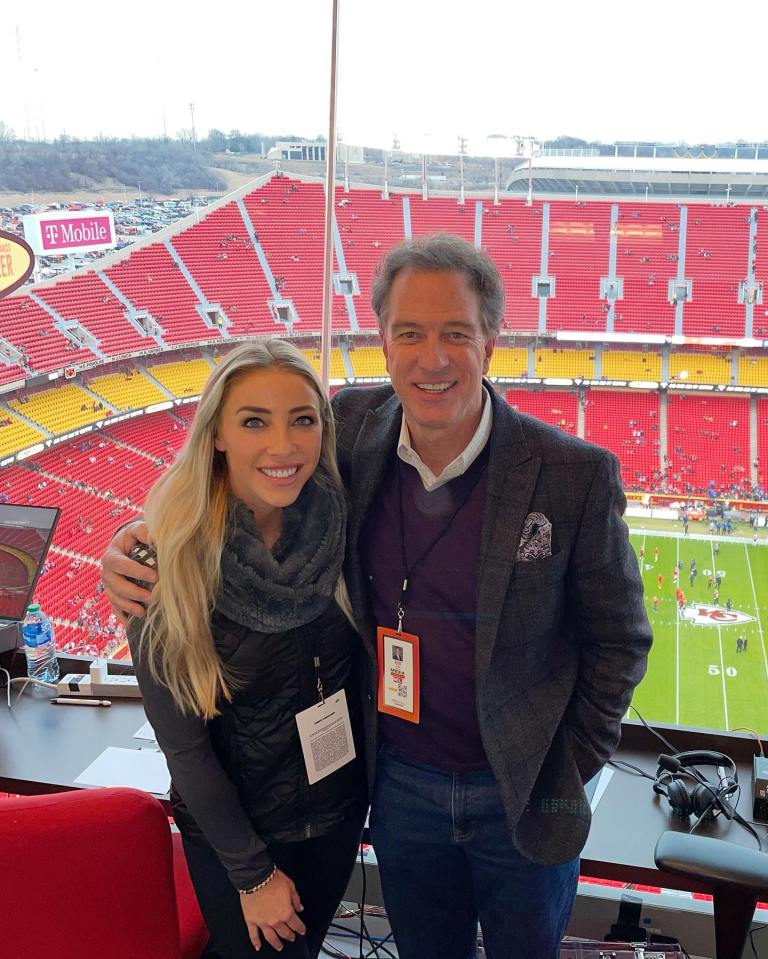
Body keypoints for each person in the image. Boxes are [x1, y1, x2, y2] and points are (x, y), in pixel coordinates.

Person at [102, 234, 652, 959]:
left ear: (491, 342)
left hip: (519, 791)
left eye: (456, 332)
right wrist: (141, 539)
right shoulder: (351, 429)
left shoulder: (571, 474)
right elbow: (246, 469)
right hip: (398, 787)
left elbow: (621, 640)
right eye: (410, 333)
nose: (432, 357)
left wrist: (563, 767)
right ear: (383, 344)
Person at [122, 341, 367, 958]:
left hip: (334, 816)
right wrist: (251, 873)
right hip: (243, 841)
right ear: (218, 434)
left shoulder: (340, 519)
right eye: (254, 420)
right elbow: (185, 748)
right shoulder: (163, 563)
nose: (282, 446)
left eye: (302, 420)